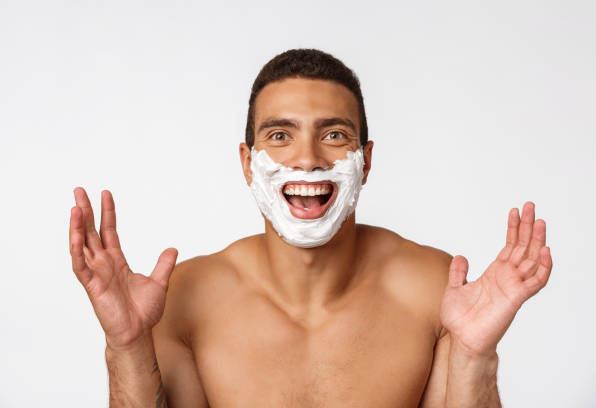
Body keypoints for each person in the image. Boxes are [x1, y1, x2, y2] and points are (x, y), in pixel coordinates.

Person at [69, 49, 553, 408]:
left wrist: (474, 355)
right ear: (247, 161)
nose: (306, 158)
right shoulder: (185, 297)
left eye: (334, 135)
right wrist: (127, 346)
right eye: (280, 135)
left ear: (365, 161)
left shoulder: (430, 287)